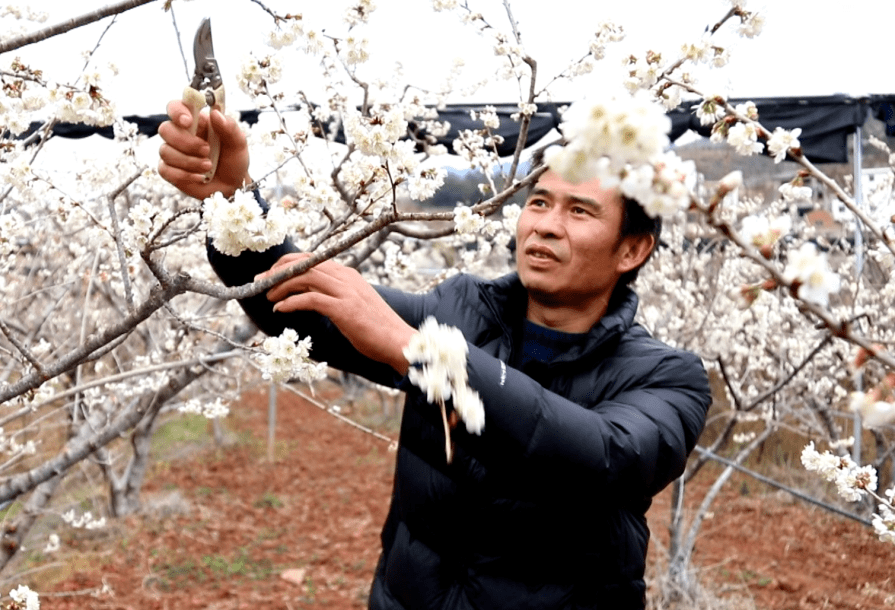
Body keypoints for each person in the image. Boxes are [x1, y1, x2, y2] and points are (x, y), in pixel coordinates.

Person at [157, 101, 711, 609]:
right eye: (538, 201)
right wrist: (230, 197)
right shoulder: (463, 311)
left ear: (632, 249)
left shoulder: (668, 380)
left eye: (580, 211)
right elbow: (305, 305)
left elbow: (602, 458)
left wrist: (421, 354)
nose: (545, 224)